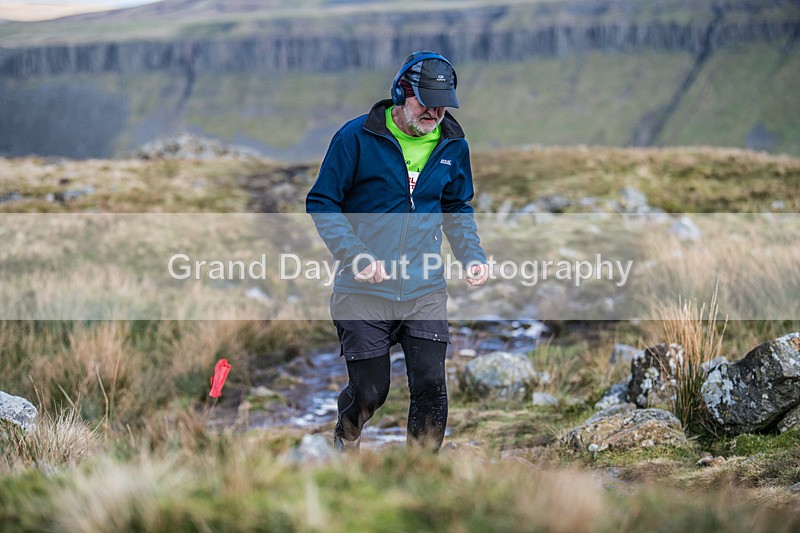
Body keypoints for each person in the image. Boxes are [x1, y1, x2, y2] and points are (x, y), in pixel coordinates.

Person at [306, 51, 489, 452]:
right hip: (362, 287)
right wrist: (355, 254)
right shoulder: (355, 138)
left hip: (425, 287)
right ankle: (346, 438)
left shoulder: (453, 145)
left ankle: (419, 474)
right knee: (370, 391)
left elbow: (457, 206)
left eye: (444, 103)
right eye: (425, 100)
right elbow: (322, 202)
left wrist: (471, 255)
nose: (435, 111)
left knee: (430, 385)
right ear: (401, 93)